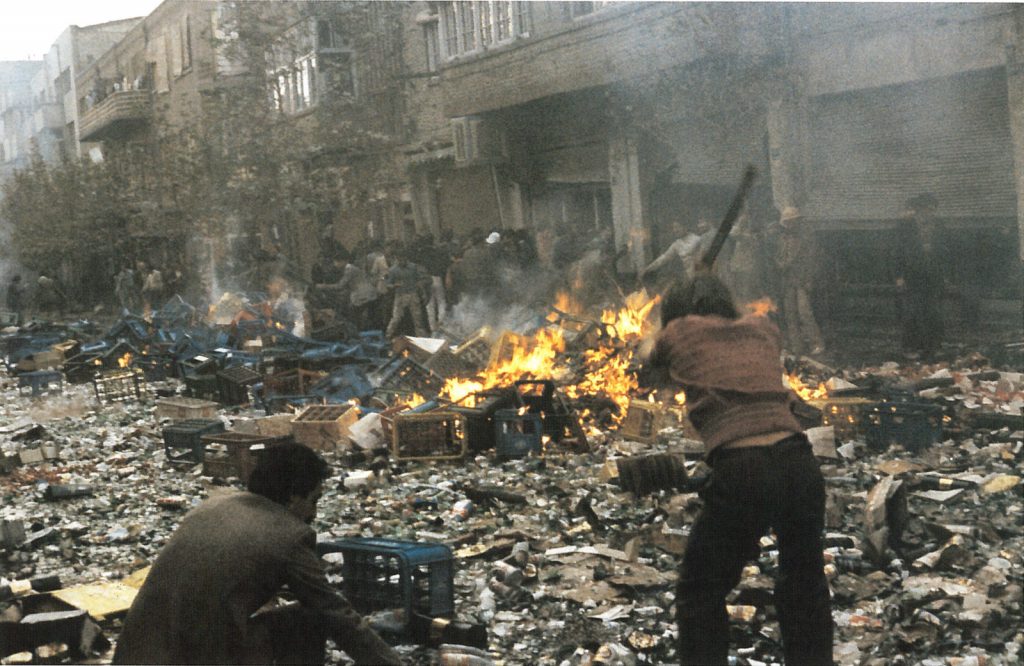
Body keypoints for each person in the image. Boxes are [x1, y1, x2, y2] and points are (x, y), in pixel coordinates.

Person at [651, 273, 832, 666]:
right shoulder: (762, 329)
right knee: (805, 584)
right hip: (799, 463)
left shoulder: (678, 331)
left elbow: (648, 361)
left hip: (745, 469)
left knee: (701, 590)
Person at [112, 443, 402, 665]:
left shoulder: (214, 505)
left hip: (134, 653)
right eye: (313, 500)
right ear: (292, 495)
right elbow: (335, 612)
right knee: (308, 618)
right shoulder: (289, 536)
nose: (313, 513)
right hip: (193, 657)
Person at [895, 194, 945, 359]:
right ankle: (909, 348)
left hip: (933, 277)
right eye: (923, 210)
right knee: (912, 312)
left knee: (934, 313)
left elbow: (946, 252)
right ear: (917, 211)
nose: (927, 213)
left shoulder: (939, 227)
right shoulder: (904, 228)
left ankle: (933, 347)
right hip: (912, 277)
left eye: (931, 210)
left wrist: (944, 275)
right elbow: (896, 253)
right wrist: (899, 276)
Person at [774, 207, 825, 356]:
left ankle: (817, 343)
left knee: (805, 313)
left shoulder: (807, 239)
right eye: (788, 222)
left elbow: (811, 261)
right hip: (788, 280)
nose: (791, 224)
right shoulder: (783, 239)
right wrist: (781, 264)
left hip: (802, 280)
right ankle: (797, 346)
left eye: (793, 221)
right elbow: (777, 257)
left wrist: (809, 279)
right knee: (790, 314)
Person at [384, 252, 429, 338]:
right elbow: (388, 284)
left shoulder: (413, 267)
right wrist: (394, 285)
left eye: (403, 259)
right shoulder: (393, 270)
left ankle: (421, 337)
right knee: (396, 318)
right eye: (399, 260)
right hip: (400, 295)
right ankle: (388, 335)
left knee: (417, 318)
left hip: (412, 294)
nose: (402, 261)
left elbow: (418, 280)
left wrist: (423, 293)